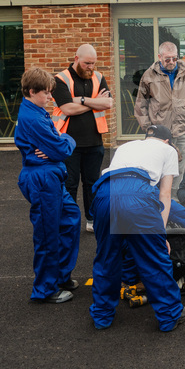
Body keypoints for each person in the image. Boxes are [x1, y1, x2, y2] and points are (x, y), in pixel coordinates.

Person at [88, 124, 185, 332]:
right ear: (168, 141)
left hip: (104, 193)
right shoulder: (169, 150)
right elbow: (165, 195)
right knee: (154, 259)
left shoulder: (126, 146)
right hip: (138, 193)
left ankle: (102, 316)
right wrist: (160, 236)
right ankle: (170, 316)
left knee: (107, 257)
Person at [13, 67, 79, 304]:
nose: (51, 98)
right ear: (32, 91)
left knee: (71, 218)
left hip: (50, 176)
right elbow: (61, 150)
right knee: (47, 233)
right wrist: (66, 139)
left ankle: (60, 276)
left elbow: (56, 148)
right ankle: (45, 289)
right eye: (47, 93)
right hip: (42, 180)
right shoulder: (33, 118)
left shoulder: (35, 110)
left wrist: (58, 142)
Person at [52, 44, 113, 234]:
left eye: (93, 63)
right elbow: (68, 109)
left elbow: (109, 103)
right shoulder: (60, 79)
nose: (91, 67)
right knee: (69, 184)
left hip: (94, 142)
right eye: (87, 63)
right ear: (76, 59)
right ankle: (69, 222)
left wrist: (82, 100)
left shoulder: (98, 77)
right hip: (67, 142)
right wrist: (95, 103)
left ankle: (92, 219)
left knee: (92, 183)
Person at [134, 41, 185, 191]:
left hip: (183, 130)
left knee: (179, 170)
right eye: (167, 59)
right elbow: (140, 104)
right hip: (160, 133)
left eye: (174, 58)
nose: (171, 62)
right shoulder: (149, 75)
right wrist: (149, 129)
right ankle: (157, 200)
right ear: (159, 57)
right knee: (158, 168)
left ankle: (173, 202)